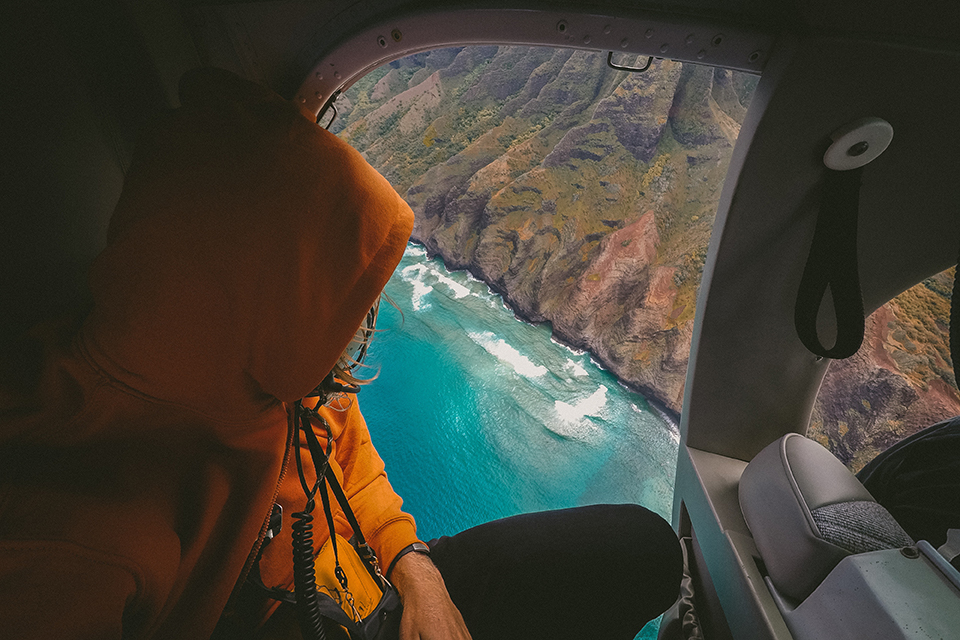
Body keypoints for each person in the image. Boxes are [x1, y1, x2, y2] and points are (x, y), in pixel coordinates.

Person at [0, 67, 681, 639]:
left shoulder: (266, 369)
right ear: (260, 287)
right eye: (336, 293)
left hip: (372, 574)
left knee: (643, 551)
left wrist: (418, 572)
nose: (352, 324)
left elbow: (351, 460)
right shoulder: (72, 539)